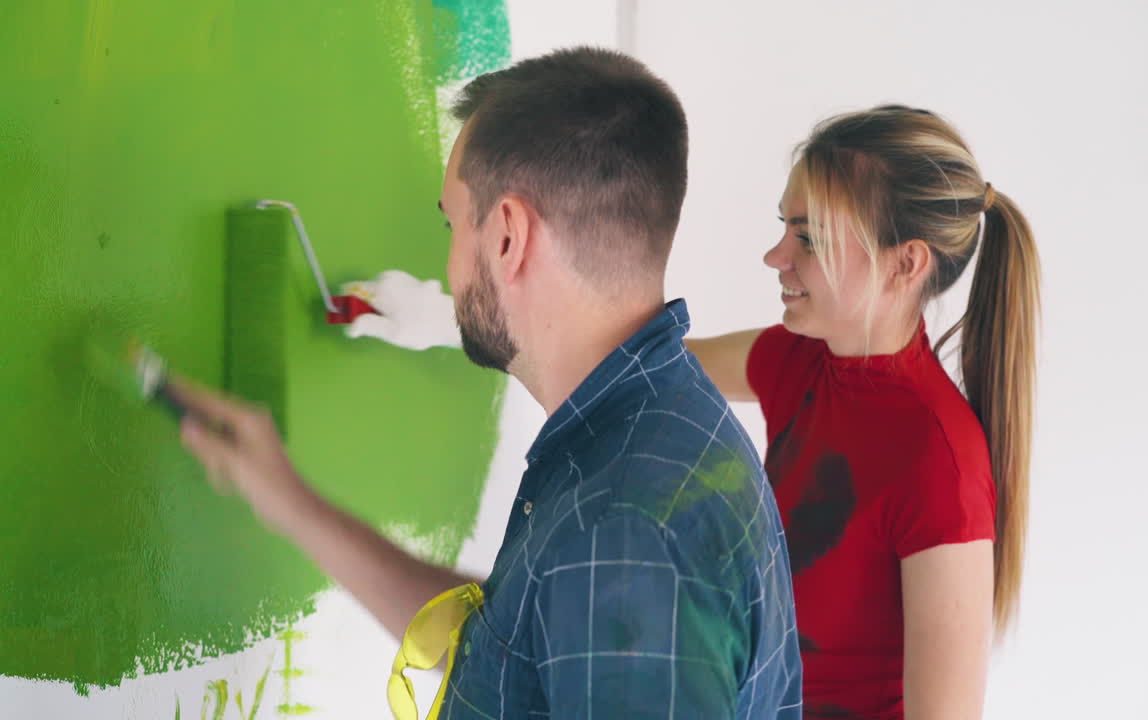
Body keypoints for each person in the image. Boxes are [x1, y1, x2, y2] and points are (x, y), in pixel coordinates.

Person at [172, 47, 802, 718]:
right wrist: (290, 501)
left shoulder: (624, 528)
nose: (448, 264)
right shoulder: (646, 431)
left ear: (506, 236)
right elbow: (514, 652)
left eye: (452, 223)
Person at [686, 106, 1040, 720]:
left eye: (810, 238)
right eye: (785, 227)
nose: (777, 257)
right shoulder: (797, 362)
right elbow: (663, 365)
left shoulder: (939, 466)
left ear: (906, 263)